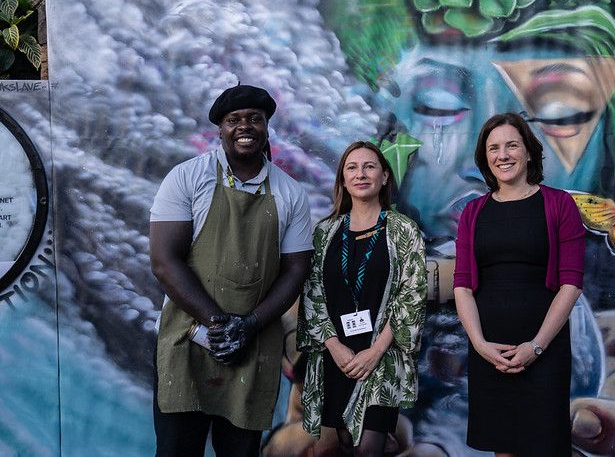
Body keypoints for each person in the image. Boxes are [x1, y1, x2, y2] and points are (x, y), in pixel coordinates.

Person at [149, 84, 313, 456]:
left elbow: (295, 270)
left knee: (239, 450)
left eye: (254, 119)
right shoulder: (188, 177)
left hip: (253, 345)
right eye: (233, 120)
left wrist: (250, 324)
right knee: (177, 449)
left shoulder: (290, 192)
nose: (245, 126)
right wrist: (219, 323)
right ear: (220, 129)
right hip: (187, 337)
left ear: (266, 127)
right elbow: (164, 260)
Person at [453, 112, 586, 456]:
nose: (503, 155)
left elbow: (570, 285)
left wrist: (536, 346)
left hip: (545, 348)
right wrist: (480, 345)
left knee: (545, 446)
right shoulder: (473, 213)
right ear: (485, 158)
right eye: (493, 148)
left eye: (512, 145)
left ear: (529, 151)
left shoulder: (559, 204)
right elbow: (463, 287)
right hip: (490, 351)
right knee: (504, 449)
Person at [297, 141, 427, 455]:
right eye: (352, 168)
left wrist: (376, 350)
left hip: (381, 357)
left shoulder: (403, 230)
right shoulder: (325, 232)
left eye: (369, 166)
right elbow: (312, 292)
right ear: (343, 180)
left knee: (369, 447)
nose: (361, 174)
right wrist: (334, 346)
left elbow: (413, 295)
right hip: (335, 357)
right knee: (343, 441)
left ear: (385, 176)